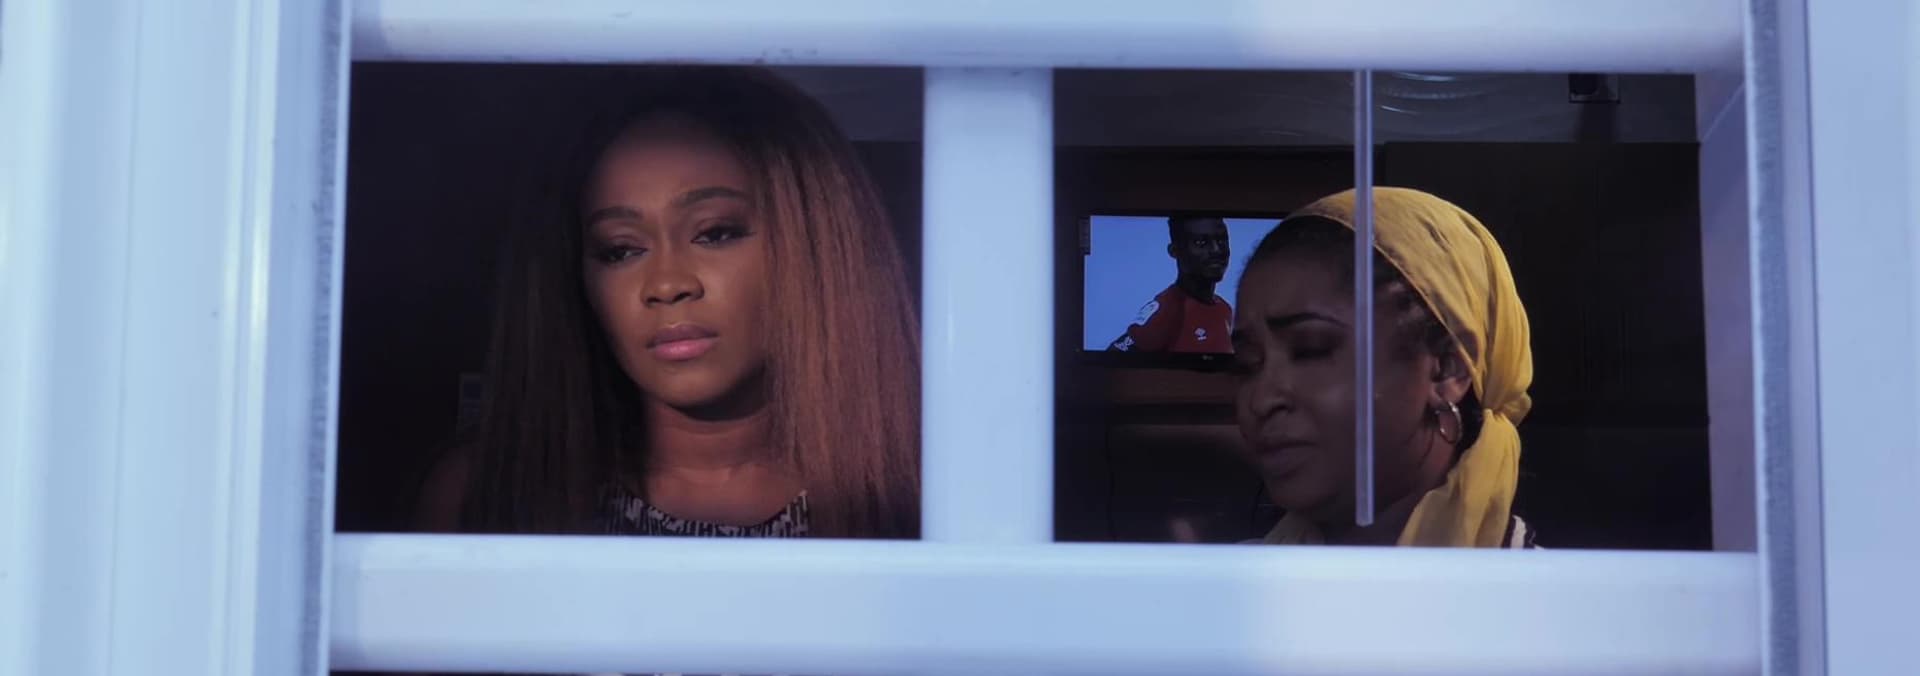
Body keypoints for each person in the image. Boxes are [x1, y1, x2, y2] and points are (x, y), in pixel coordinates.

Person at [416, 67, 921, 540]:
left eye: (715, 233)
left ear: (814, 244)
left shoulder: (924, 490)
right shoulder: (488, 492)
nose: (666, 285)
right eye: (621, 250)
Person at [1230, 188, 1535, 547]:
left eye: (1311, 349)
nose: (1261, 400)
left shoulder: (1561, 582)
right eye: (1247, 364)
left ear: (1446, 370)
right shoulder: (1208, 579)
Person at [1108, 214, 1234, 354]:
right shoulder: (1166, 311)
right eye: (1201, 243)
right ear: (1174, 251)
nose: (1216, 250)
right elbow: (1113, 357)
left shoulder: (1225, 309)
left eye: (1221, 240)